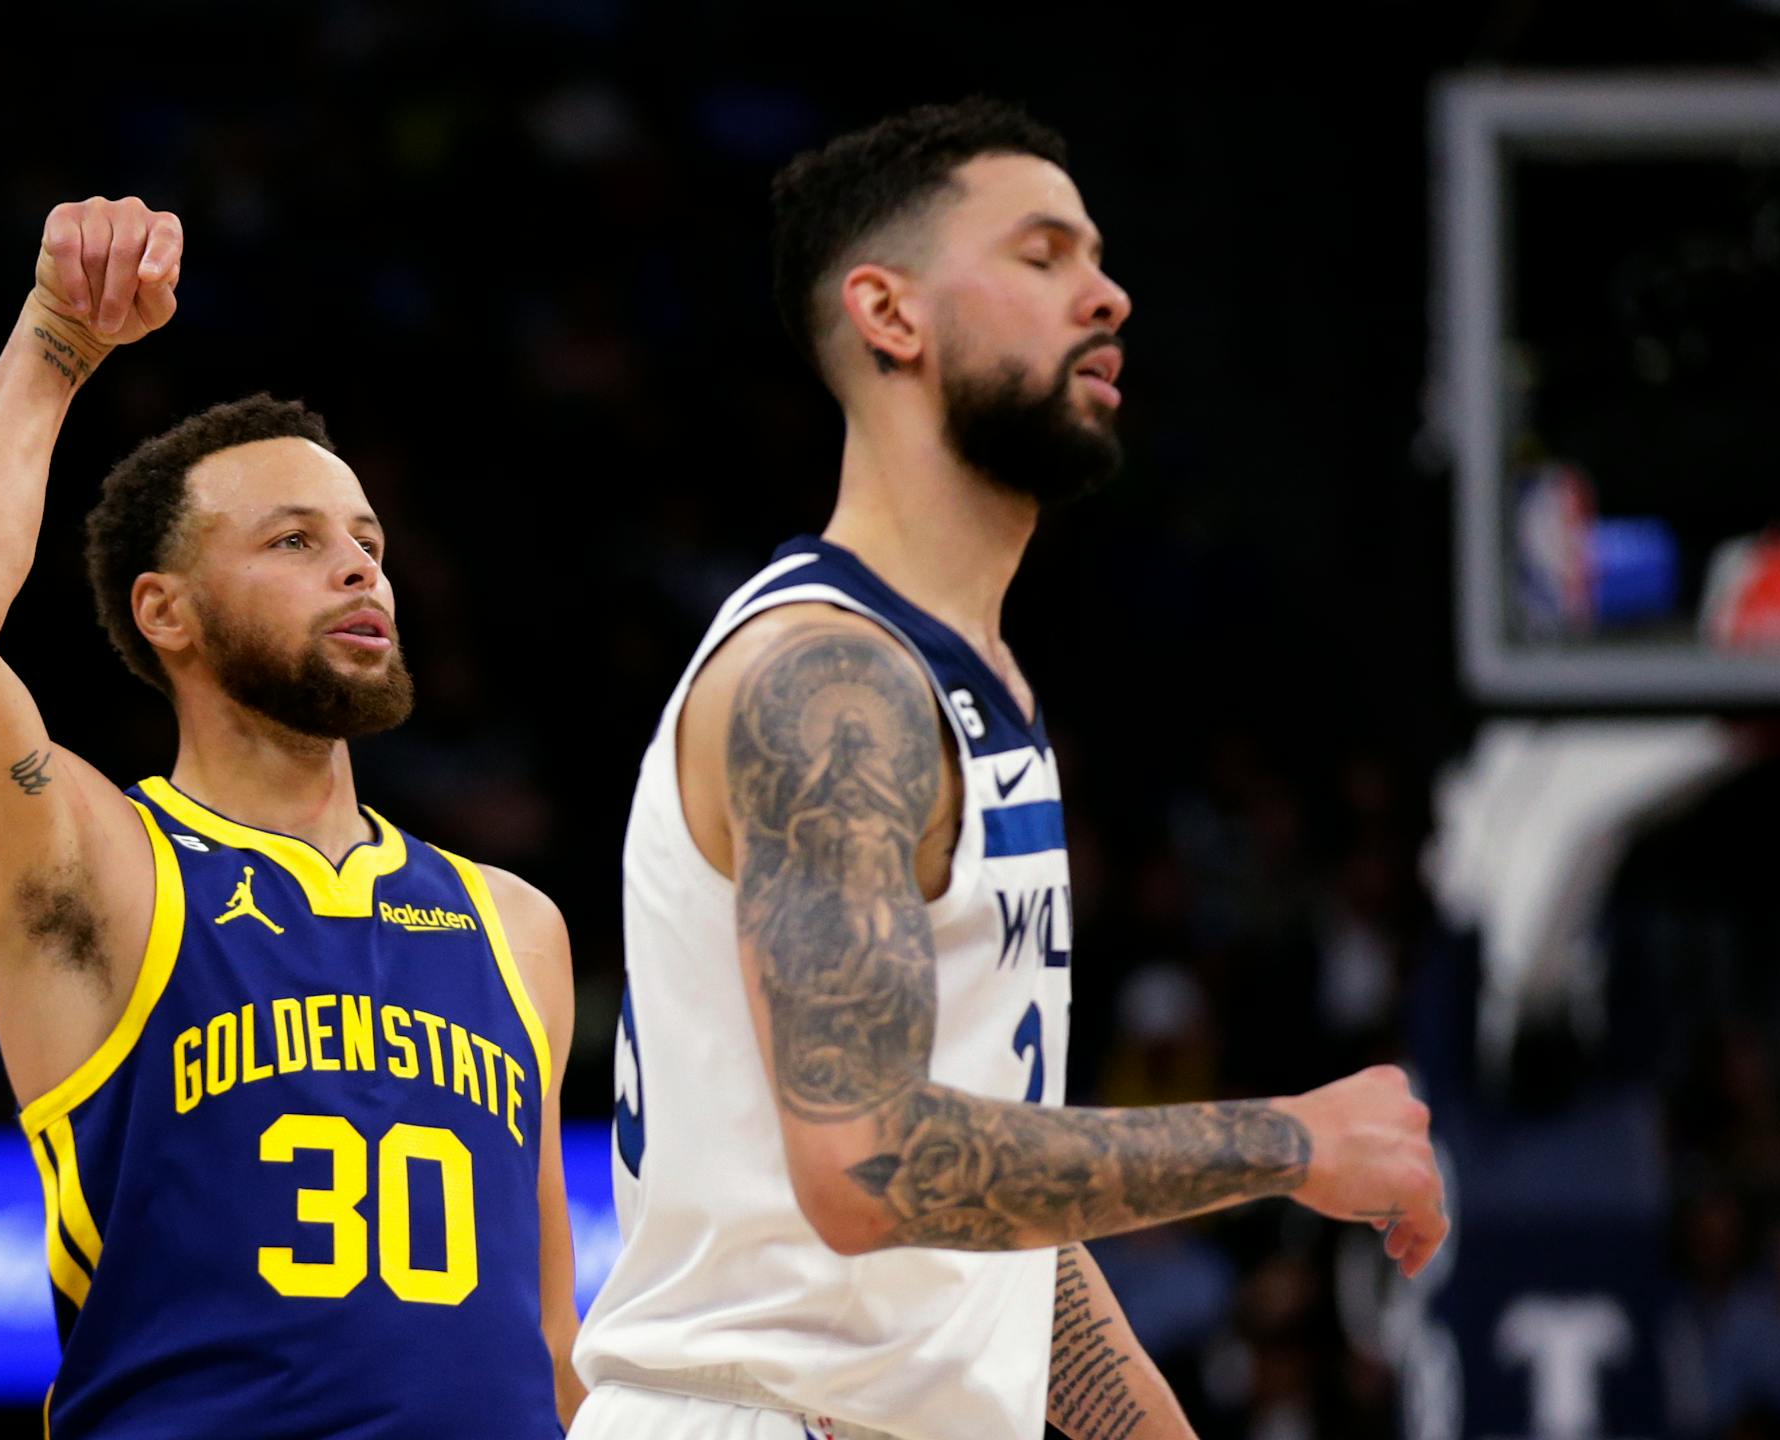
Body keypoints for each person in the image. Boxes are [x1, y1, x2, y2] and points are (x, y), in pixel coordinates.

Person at [570, 100, 1447, 1440]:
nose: (1108, 295)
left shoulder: (971, 680)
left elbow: (981, 1213)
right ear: (889, 314)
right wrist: (1291, 1140)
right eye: (1043, 257)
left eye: (1095, 257)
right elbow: (872, 1164)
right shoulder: (828, 684)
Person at [0, 196, 582, 1437]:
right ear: (166, 612)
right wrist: (57, 341)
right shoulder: (99, 867)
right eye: (295, 541)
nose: (361, 567)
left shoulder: (514, 925)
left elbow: (548, 1338)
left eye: (367, 540)